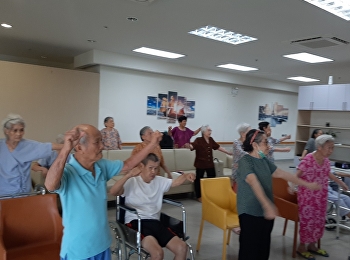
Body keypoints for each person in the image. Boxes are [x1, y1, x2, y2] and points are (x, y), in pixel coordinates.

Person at [44, 124, 163, 260]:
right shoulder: (68, 172)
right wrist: (66, 149)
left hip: (103, 245)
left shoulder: (101, 166)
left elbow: (128, 165)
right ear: (79, 147)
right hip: (79, 250)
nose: (102, 146)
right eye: (97, 142)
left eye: (101, 141)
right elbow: (50, 185)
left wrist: (152, 143)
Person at [236, 129, 320, 260]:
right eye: (265, 142)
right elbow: (254, 182)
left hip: (266, 214)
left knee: (263, 249)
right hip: (250, 212)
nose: (269, 145)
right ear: (255, 145)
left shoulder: (264, 161)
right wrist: (267, 206)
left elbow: (281, 173)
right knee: (249, 250)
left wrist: (307, 184)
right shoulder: (245, 161)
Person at [109, 153, 196, 260]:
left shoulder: (159, 181)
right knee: (158, 253)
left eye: (156, 168)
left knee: (182, 247)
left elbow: (175, 182)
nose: (153, 172)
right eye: (150, 168)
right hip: (137, 222)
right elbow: (113, 192)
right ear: (142, 167)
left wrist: (186, 176)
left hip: (155, 222)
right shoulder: (132, 181)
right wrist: (128, 175)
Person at [294, 134, 348, 260]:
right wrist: (292, 186)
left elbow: (328, 173)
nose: (331, 151)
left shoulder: (326, 161)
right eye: (328, 148)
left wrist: (341, 182)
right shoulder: (308, 159)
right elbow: (297, 175)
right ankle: (301, 247)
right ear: (319, 147)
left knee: (318, 221)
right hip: (307, 197)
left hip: (321, 197)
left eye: (332, 148)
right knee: (307, 222)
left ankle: (312, 245)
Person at [0, 113, 63, 196]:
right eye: (15, 130)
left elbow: (49, 146)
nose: (19, 134)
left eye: (21, 130)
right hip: (4, 195)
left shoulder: (28, 146)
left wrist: (71, 145)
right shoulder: (1, 147)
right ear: (6, 131)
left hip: (24, 194)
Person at [189, 125, 232, 202]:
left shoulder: (211, 139)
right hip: (200, 164)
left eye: (210, 130)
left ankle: (210, 194)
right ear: (204, 132)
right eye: (209, 130)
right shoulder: (198, 140)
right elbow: (193, 146)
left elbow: (217, 147)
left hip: (209, 163)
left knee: (212, 178)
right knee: (199, 179)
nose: (210, 132)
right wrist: (189, 146)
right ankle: (199, 196)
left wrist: (228, 152)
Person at [232, 122, 251, 192]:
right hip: (238, 171)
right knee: (237, 192)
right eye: (249, 132)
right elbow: (242, 153)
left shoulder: (249, 143)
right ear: (243, 134)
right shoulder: (236, 142)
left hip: (247, 170)